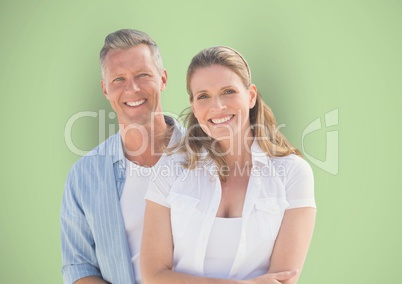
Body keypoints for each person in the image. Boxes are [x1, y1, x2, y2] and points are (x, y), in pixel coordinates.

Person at [141, 46, 316, 284]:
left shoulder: (293, 173)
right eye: (203, 96)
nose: (217, 107)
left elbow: (283, 279)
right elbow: (153, 276)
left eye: (228, 91)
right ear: (194, 106)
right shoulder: (170, 168)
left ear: (251, 96)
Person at [60, 29, 183, 284]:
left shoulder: (207, 156)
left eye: (143, 75)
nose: (133, 88)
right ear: (105, 89)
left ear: (163, 79)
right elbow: (79, 266)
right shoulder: (84, 176)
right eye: (119, 80)